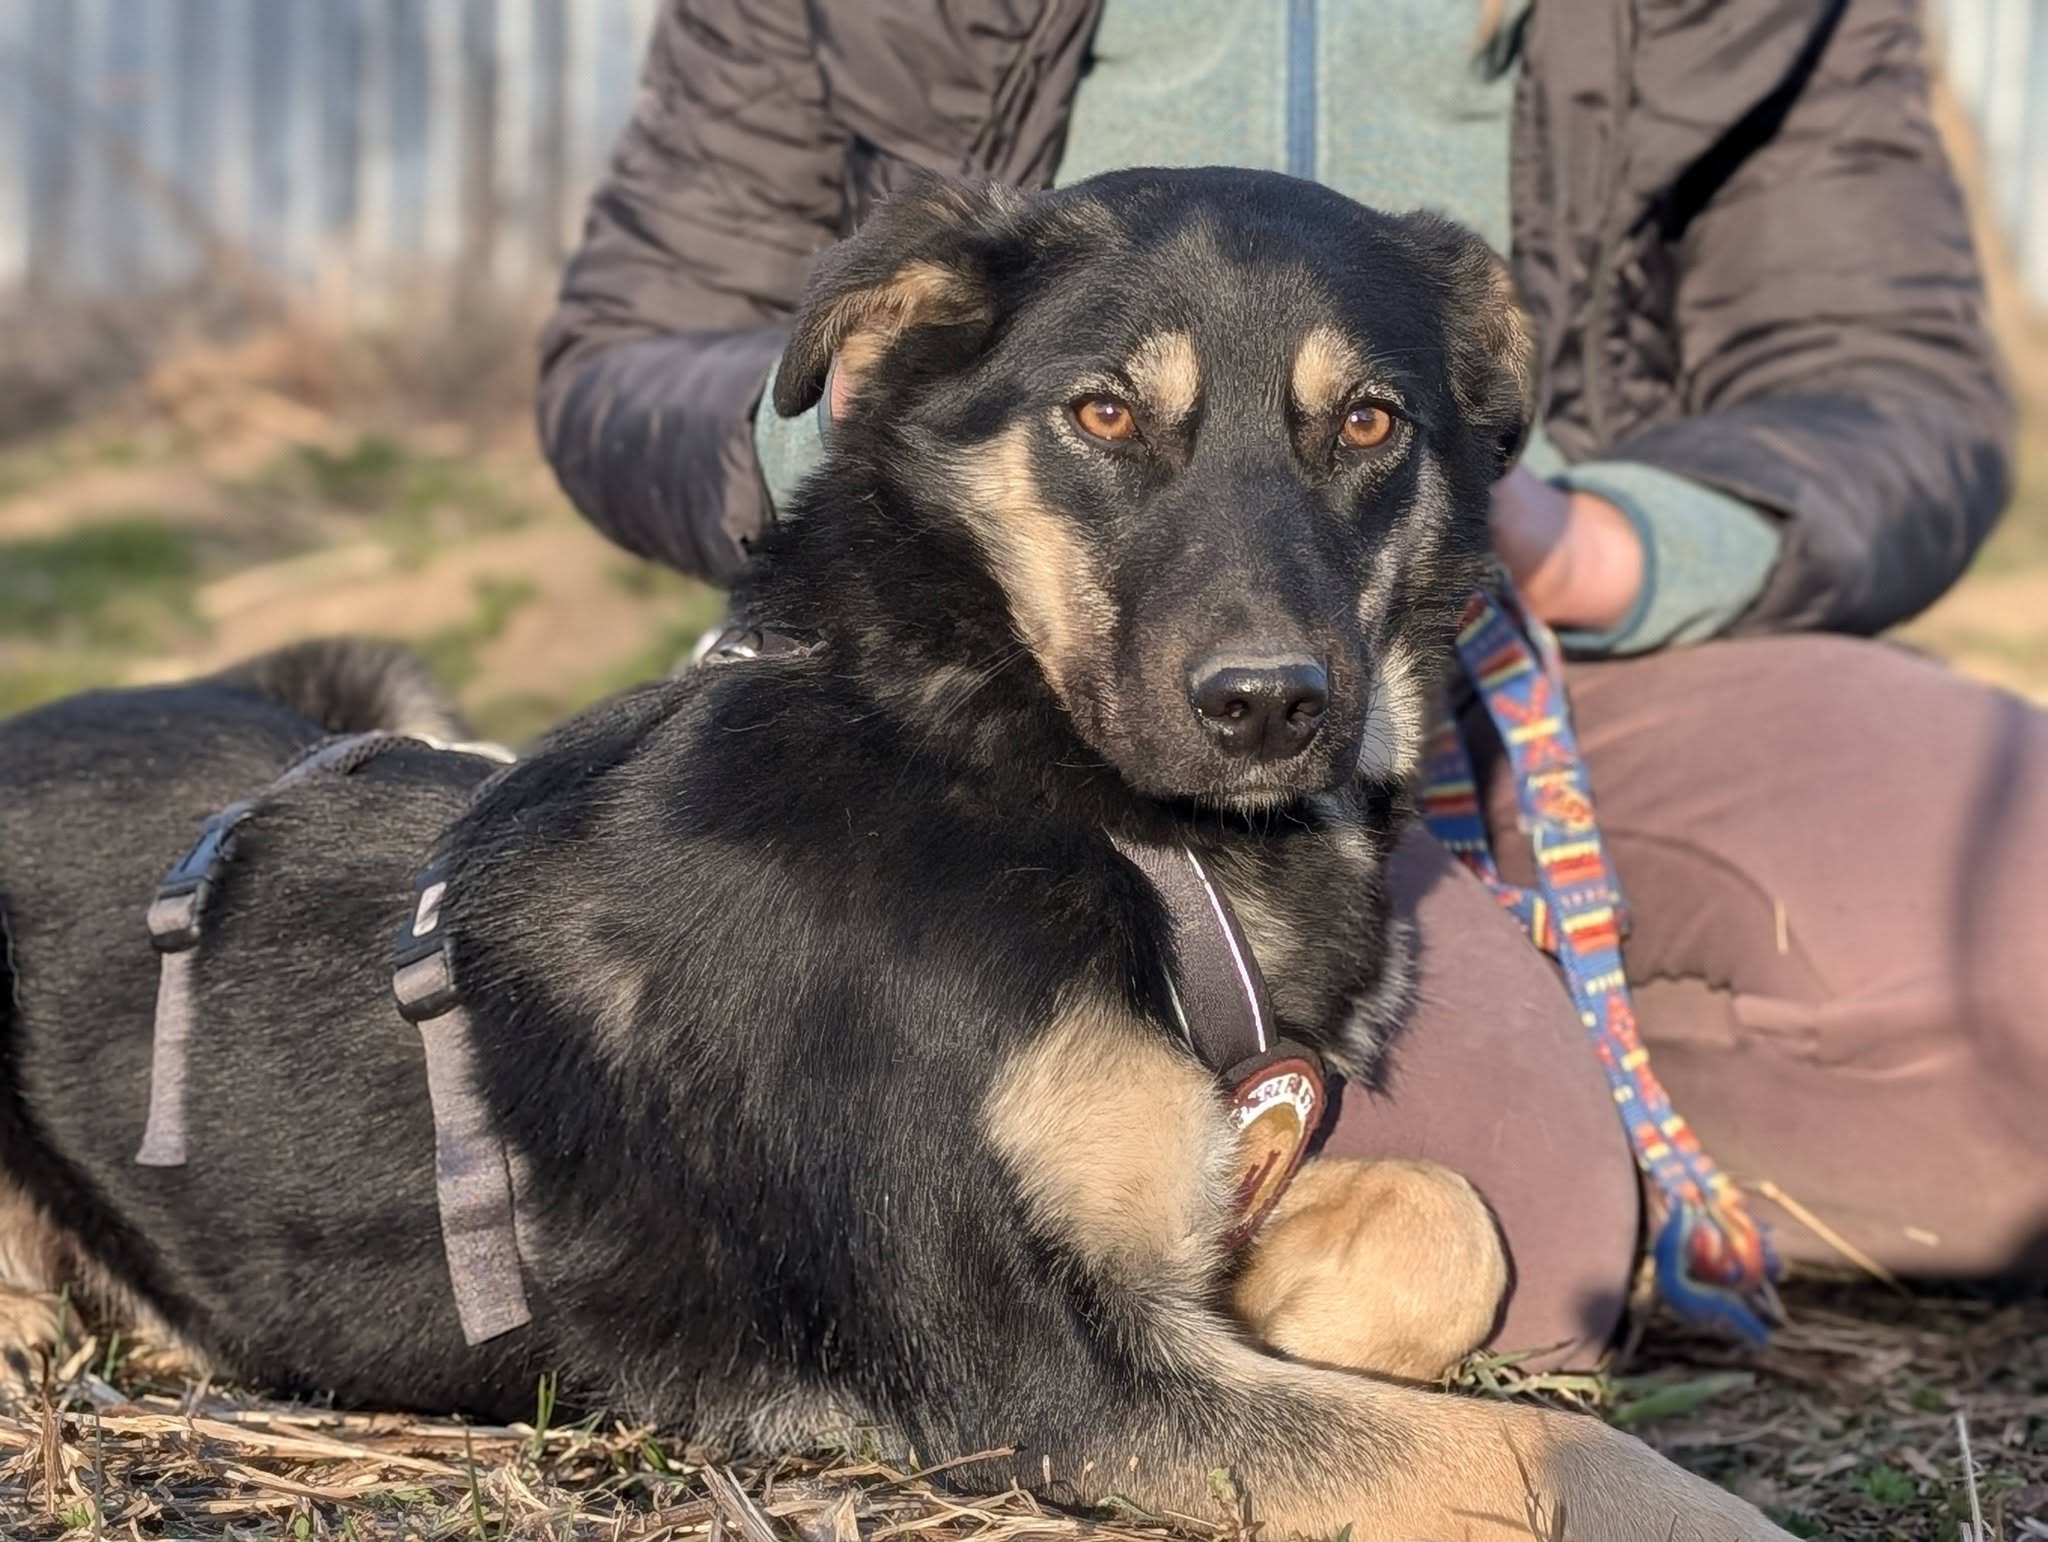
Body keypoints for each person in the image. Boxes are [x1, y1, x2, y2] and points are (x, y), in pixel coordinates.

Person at [534, 0, 2048, 1368]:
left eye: (1364, 420)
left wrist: (1600, 543)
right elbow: (631, 353)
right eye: (1115, 412)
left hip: (1545, 655)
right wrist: (873, 413)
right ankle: (1604, 1078)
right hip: (1015, 715)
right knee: (1521, 1252)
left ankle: (1626, 1029)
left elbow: (1890, 391)